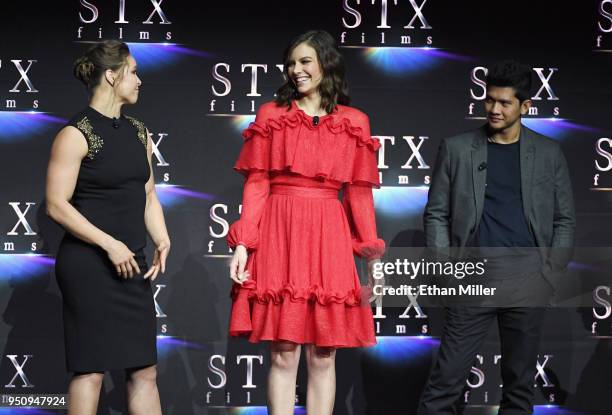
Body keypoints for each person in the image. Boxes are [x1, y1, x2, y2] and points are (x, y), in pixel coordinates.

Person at [227, 30, 384, 415]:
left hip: (329, 233)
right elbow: (257, 184)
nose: (295, 70)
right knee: (282, 352)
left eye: (304, 62)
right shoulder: (271, 116)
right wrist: (244, 244)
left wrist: (372, 259)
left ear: (326, 64)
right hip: (280, 231)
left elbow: (360, 195)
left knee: (323, 354)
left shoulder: (354, 122)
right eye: (291, 63)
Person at [418, 60, 575, 414]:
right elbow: (436, 213)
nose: (494, 109)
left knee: (520, 387)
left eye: (505, 102)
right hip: (472, 277)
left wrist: (550, 273)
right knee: (446, 382)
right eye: (490, 100)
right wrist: (446, 270)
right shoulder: (457, 149)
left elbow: (564, 219)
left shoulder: (549, 153)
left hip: (528, 278)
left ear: (525, 107)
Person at [45, 40, 170, 415]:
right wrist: (109, 244)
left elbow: (147, 195)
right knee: (90, 372)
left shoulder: (138, 132)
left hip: (131, 265)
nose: (139, 80)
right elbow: (55, 204)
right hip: (89, 266)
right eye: (133, 71)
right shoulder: (75, 134)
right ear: (112, 75)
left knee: (145, 370)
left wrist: (161, 237)